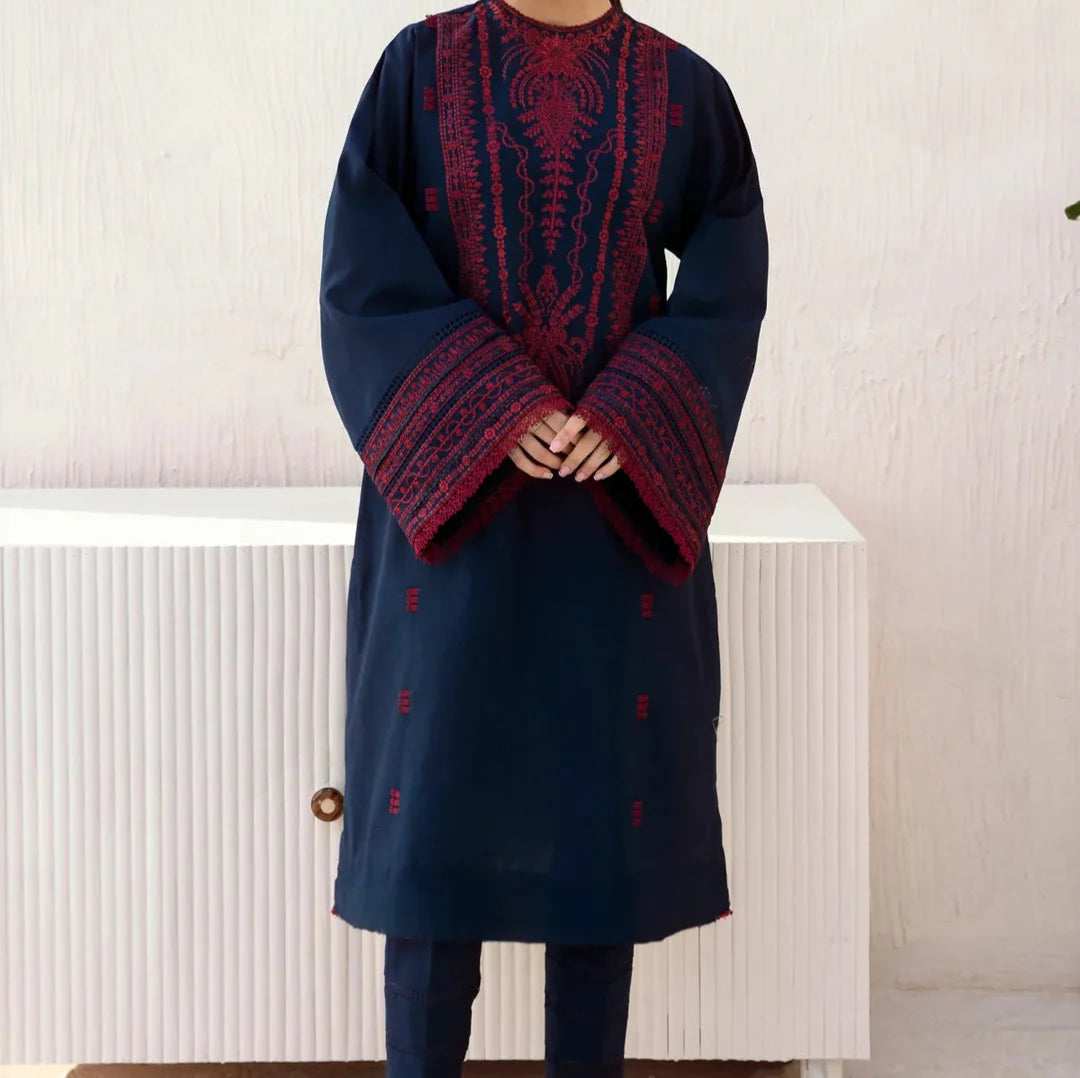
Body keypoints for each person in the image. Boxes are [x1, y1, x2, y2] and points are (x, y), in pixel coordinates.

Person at [318, 0, 768, 1073]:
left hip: (613, 516)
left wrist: (636, 410)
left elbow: (729, 279)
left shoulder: (683, 88)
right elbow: (361, 278)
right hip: (450, 515)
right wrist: (494, 407)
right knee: (431, 830)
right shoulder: (419, 70)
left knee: (597, 838)